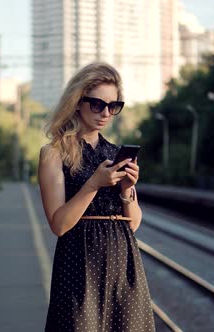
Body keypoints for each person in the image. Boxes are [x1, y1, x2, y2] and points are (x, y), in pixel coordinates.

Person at [38, 62, 155, 331]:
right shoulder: (54, 153)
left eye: (113, 106)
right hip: (79, 265)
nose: (105, 113)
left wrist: (126, 188)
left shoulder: (115, 153)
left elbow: (133, 224)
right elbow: (59, 224)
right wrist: (93, 184)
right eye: (97, 104)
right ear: (78, 101)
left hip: (123, 264)